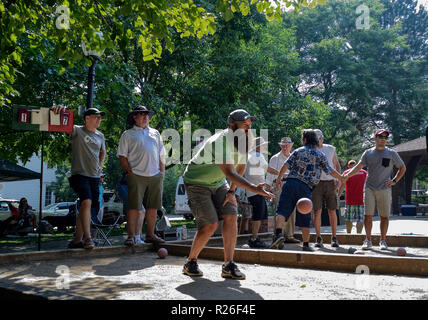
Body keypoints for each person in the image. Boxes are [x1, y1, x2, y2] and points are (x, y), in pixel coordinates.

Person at [182, 109, 274, 280]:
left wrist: (231, 192)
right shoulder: (220, 141)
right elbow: (231, 173)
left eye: (250, 124)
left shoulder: (245, 141)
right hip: (197, 183)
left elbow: (240, 168)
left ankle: (228, 265)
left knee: (232, 215)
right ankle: (191, 261)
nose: (249, 127)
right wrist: (256, 189)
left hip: (218, 183)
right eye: (244, 124)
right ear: (232, 126)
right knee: (210, 224)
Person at [271, 129, 345, 251]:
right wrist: (341, 177)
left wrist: (279, 179)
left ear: (304, 140)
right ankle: (306, 244)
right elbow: (330, 171)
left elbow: (285, 165)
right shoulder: (320, 154)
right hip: (305, 187)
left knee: (282, 210)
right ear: (315, 140)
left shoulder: (297, 151)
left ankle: (278, 234)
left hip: (290, 183)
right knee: (305, 212)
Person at [53, 106, 106, 250]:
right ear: (87, 118)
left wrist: (100, 166)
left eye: (100, 117)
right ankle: (88, 239)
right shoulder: (77, 130)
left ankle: (77, 240)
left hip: (94, 176)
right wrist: (58, 111)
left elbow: (103, 152)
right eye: (96, 116)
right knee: (86, 202)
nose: (99, 119)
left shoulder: (100, 136)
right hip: (79, 174)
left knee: (86, 207)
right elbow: (62, 125)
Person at [344, 129, 406, 250]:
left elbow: (402, 167)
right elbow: (358, 167)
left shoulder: (392, 153)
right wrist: (346, 176)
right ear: (375, 138)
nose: (383, 138)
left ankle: (383, 241)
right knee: (368, 215)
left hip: (385, 188)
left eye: (385, 137)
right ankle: (368, 240)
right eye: (380, 136)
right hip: (369, 188)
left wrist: (394, 180)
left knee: (384, 216)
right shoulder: (368, 153)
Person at [117, 105, 165, 246]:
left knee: (153, 207)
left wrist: (162, 172)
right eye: (142, 114)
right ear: (135, 117)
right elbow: (122, 155)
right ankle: (131, 236)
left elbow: (162, 153)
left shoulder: (155, 133)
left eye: (147, 115)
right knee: (134, 207)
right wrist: (128, 172)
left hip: (155, 175)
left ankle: (150, 234)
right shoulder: (128, 134)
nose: (145, 117)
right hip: (136, 174)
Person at [266, 137, 300, 244]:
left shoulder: (294, 158)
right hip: (279, 185)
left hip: (292, 185)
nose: (285, 147)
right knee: (280, 210)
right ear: (280, 146)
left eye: (287, 145)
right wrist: (268, 189)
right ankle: (278, 235)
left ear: (291, 146)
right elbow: (270, 175)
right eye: (283, 145)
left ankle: (289, 235)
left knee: (291, 210)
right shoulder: (275, 158)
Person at [312, 129, 342, 248]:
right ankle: (318, 237)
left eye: (319, 138)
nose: (318, 140)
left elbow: (337, 165)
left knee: (332, 210)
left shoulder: (330, 148)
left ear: (322, 138)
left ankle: (334, 237)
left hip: (330, 182)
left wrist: (338, 180)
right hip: (316, 183)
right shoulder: (311, 150)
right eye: (316, 138)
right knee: (317, 211)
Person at [244, 137, 270, 248]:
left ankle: (254, 237)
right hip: (257, 190)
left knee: (257, 215)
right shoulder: (258, 156)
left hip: (251, 190)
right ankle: (254, 239)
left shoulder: (248, 156)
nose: (264, 147)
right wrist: (281, 174)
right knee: (257, 216)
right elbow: (269, 169)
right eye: (263, 145)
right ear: (258, 147)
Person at [115, 172, 146, 244]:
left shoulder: (120, 184)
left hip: (126, 200)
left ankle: (131, 237)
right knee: (141, 212)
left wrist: (121, 199)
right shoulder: (131, 179)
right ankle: (137, 237)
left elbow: (115, 192)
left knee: (130, 216)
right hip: (132, 196)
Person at [338, 160, 367, 234]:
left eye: (352, 164)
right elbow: (368, 185)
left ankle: (349, 234)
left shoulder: (346, 173)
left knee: (349, 219)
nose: (352, 166)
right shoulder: (364, 172)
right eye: (352, 164)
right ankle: (358, 235)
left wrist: (338, 196)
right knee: (360, 219)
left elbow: (342, 186)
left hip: (350, 201)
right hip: (359, 200)